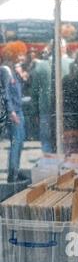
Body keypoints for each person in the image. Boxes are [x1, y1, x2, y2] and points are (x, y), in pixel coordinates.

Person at [0, 41, 28, 183]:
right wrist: (11, 112)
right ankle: (13, 174)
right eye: (20, 54)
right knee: (17, 142)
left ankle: (15, 170)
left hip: (18, 110)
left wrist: (21, 76)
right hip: (14, 111)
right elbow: (4, 92)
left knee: (20, 141)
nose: (23, 57)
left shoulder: (12, 69)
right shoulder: (5, 70)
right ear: (13, 54)